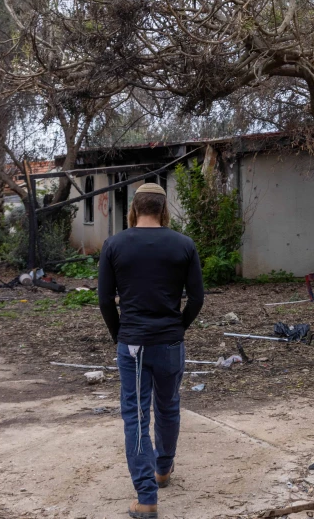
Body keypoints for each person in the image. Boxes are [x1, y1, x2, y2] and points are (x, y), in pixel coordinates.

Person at [98, 182, 204, 519]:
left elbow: (104, 300)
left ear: (134, 208)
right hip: (170, 342)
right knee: (169, 406)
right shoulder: (183, 245)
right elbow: (197, 298)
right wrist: (178, 328)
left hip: (133, 344)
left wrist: (120, 334)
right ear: (163, 209)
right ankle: (162, 470)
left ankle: (147, 499)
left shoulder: (114, 245)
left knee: (137, 415)